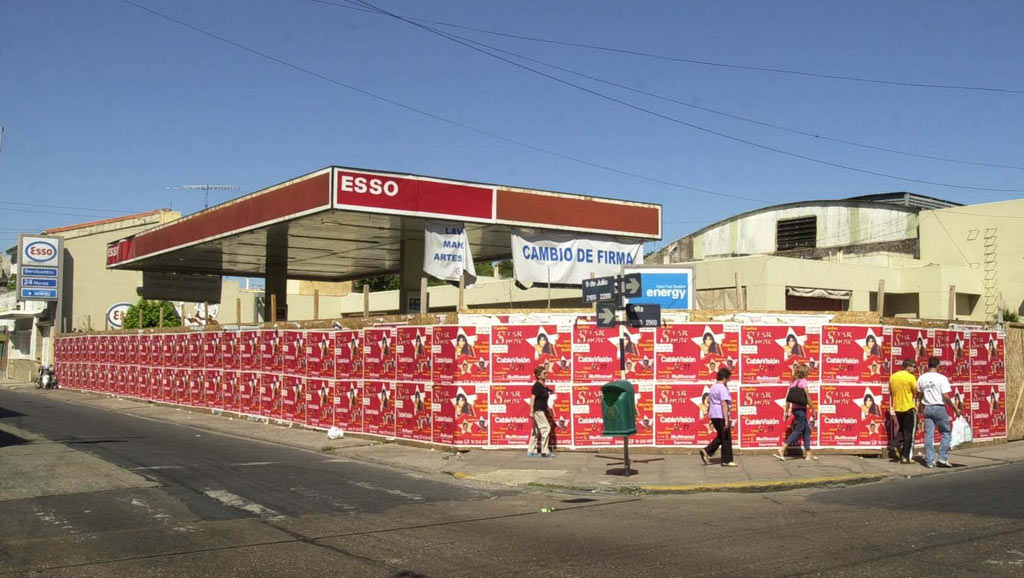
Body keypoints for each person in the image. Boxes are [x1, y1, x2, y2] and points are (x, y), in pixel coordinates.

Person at [917, 356, 962, 468]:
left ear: (928, 365)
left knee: (929, 435)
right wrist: (955, 408)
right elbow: (945, 396)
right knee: (946, 433)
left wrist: (921, 405)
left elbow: (919, 394)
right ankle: (942, 458)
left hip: (927, 407)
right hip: (939, 407)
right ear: (938, 366)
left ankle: (929, 461)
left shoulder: (922, 378)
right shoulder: (941, 378)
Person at [775, 364, 815, 461]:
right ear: (804, 372)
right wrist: (813, 408)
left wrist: (786, 412)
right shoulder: (803, 382)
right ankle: (783, 448)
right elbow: (808, 396)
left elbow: (788, 399)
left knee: (807, 430)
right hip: (801, 410)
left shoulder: (793, 382)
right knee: (798, 431)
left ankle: (808, 453)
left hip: (795, 410)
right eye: (807, 371)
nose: (808, 373)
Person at [699, 368, 737, 467]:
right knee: (726, 437)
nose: (729, 380)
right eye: (728, 378)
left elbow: (711, 401)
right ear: (724, 377)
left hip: (714, 414)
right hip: (721, 415)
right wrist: (726, 420)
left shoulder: (713, 387)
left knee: (721, 436)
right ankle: (727, 460)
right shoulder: (722, 388)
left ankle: (707, 451)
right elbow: (724, 404)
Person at [889, 359, 918, 464]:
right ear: (908, 367)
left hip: (897, 408)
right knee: (909, 433)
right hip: (908, 407)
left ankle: (895, 445)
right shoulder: (910, 377)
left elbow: (890, 391)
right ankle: (905, 456)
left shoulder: (893, 377)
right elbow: (916, 391)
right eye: (914, 367)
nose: (915, 369)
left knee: (902, 429)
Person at [527, 366, 554, 458]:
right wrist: (531, 411)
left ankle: (531, 451)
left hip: (541, 410)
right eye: (544, 373)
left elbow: (544, 400)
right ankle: (544, 451)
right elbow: (532, 398)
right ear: (538, 376)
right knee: (546, 428)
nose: (546, 375)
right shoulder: (537, 386)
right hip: (538, 411)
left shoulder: (543, 386)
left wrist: (548, 409)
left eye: (546, 373)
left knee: (536, 431)